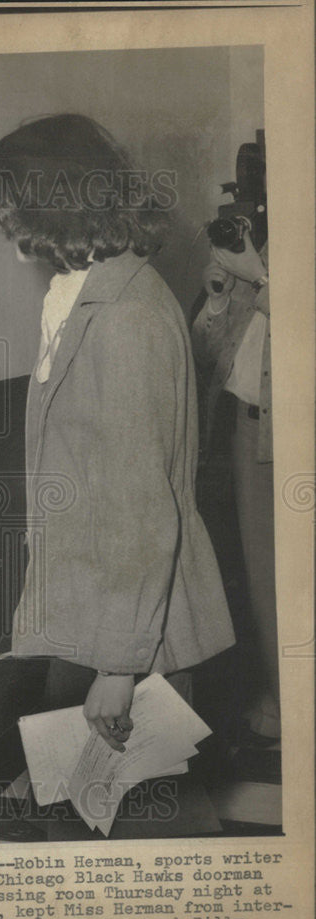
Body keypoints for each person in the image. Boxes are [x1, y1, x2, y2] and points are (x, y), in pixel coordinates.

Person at [0, 114, 235, 750]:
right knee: (99, 818)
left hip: (127, 639)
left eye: (16, 221)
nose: (14, 244)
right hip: (98, 618)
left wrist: (118, 668)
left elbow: (142, 508)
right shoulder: (85, 293)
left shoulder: (125, 318)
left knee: (137, 829)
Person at [191, 230, 278, 741]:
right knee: (262, 572)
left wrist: (259, 277)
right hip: (249, 428)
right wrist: (221, 295)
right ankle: (284, 698)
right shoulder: (260, 245)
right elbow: (210, 354)